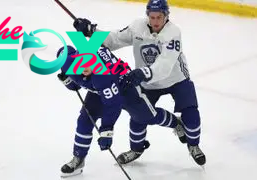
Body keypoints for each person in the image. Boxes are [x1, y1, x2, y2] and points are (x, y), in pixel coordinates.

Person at [72, 0, 206, 166]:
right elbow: (114, 39)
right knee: (138, 117)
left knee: (191, 115)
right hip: (148, 81)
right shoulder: (137, 26)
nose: (155, 21)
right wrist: (92, 31)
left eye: (159, 17)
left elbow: (165, 64)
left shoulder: (173, 32)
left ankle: (193, 146)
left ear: (166, 16)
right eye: (152, 17)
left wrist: (144, 72)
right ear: (147, 16)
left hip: (176, 79)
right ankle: (136, 149)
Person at [57, 45, 186, 177]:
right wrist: (68, 81)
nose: (84, 69)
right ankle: (78, 158)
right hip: (100, 90)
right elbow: (77, 82)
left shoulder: (102, 75)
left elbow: (113, 104)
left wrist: (106, 131)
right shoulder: (67, 63)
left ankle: (176, 123)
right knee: (85, 119)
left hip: (125, 87)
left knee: (147, 116)